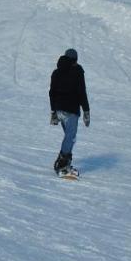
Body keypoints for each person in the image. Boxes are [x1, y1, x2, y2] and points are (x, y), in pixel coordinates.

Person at [48, 48, 90, 177]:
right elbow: (81, 92)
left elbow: (52, 93)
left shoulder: (56, 72)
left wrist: (53, 111)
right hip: (71, 110)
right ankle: (62, 164)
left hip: (59, 109)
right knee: (70, 137)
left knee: (69, 137)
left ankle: (64, 161)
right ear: (75, 60)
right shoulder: (77, 71)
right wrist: (86, 111)